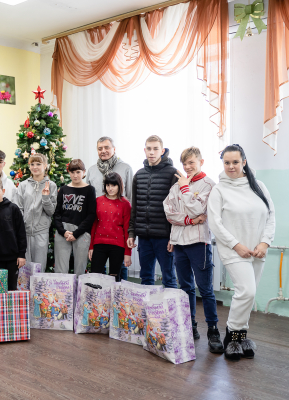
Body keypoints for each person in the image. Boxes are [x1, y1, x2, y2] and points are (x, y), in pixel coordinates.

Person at [208, 144, 275, 361]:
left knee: (250, 294)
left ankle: (241, 337)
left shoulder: (259, 186)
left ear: (244, 162)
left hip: (257, 251)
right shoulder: (219, 190)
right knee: (246, 291)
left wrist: (264, 243)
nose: (231, 166)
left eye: (235, 162)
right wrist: (236, 245)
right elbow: (215, 224)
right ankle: (231, 336)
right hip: (233, 249)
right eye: (227, 162)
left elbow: (271, 215)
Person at [163, 147, 223, 353]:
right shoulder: (178, 184)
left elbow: (200, 209)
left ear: (201, 162)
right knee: (185, 288)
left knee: (205, 290)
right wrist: (189, 220)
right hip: (180, 244)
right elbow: (169, 213)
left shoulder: (209, 185)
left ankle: (213, 330)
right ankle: (190, 325)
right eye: (185, 164)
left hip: (199, 243)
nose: (187, 167)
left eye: (192, 163)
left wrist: (187, 191)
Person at [127, 135, 178, 289]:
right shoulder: (139, 175)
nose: (152, 152)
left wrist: (173, 237)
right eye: (149, 148)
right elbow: (134, 207)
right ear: (145, 150)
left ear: (162, 151)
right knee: (146, 277)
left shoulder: (173, 173)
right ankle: (148, 312)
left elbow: (177, 209)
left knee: (169, 278)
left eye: (156, 149)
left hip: (164, 238)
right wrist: (131, 233)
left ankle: (169, 313)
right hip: (144, 237)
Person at [86, 136, 133, 280]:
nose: (103, 151)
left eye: (107, 147)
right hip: (100, 229)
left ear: (114, 149)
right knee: (97, 274)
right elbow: (88, 197)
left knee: (117, 275)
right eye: (100, 148)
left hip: (118, 232)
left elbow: (130, 195)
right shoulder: (92, 170)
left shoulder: (125, 168)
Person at [53, 159, 97, 276]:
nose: (75, 175)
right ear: (69, 173)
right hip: (63, 231)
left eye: (78, 172)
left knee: (80, 268)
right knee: (61, 269)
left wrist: (76, 233)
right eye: (72, 172)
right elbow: (57, 214)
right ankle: (62, 293)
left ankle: (78, 293)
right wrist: (63, 232)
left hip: (81, 231)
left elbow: (91, 214)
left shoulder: (90, 190)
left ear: (84, 172)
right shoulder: (63, 189)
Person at [16, 153, 58, 268]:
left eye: (38, 164)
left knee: (39, 268)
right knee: (24, 270)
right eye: (32, 164)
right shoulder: (23, 185)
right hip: (24, 233)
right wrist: (21, 228)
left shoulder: (52, 186)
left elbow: (51, 211)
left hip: (41, 233)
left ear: (45, 166)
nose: (35, 167)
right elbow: (18, 208)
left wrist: (45, 197)